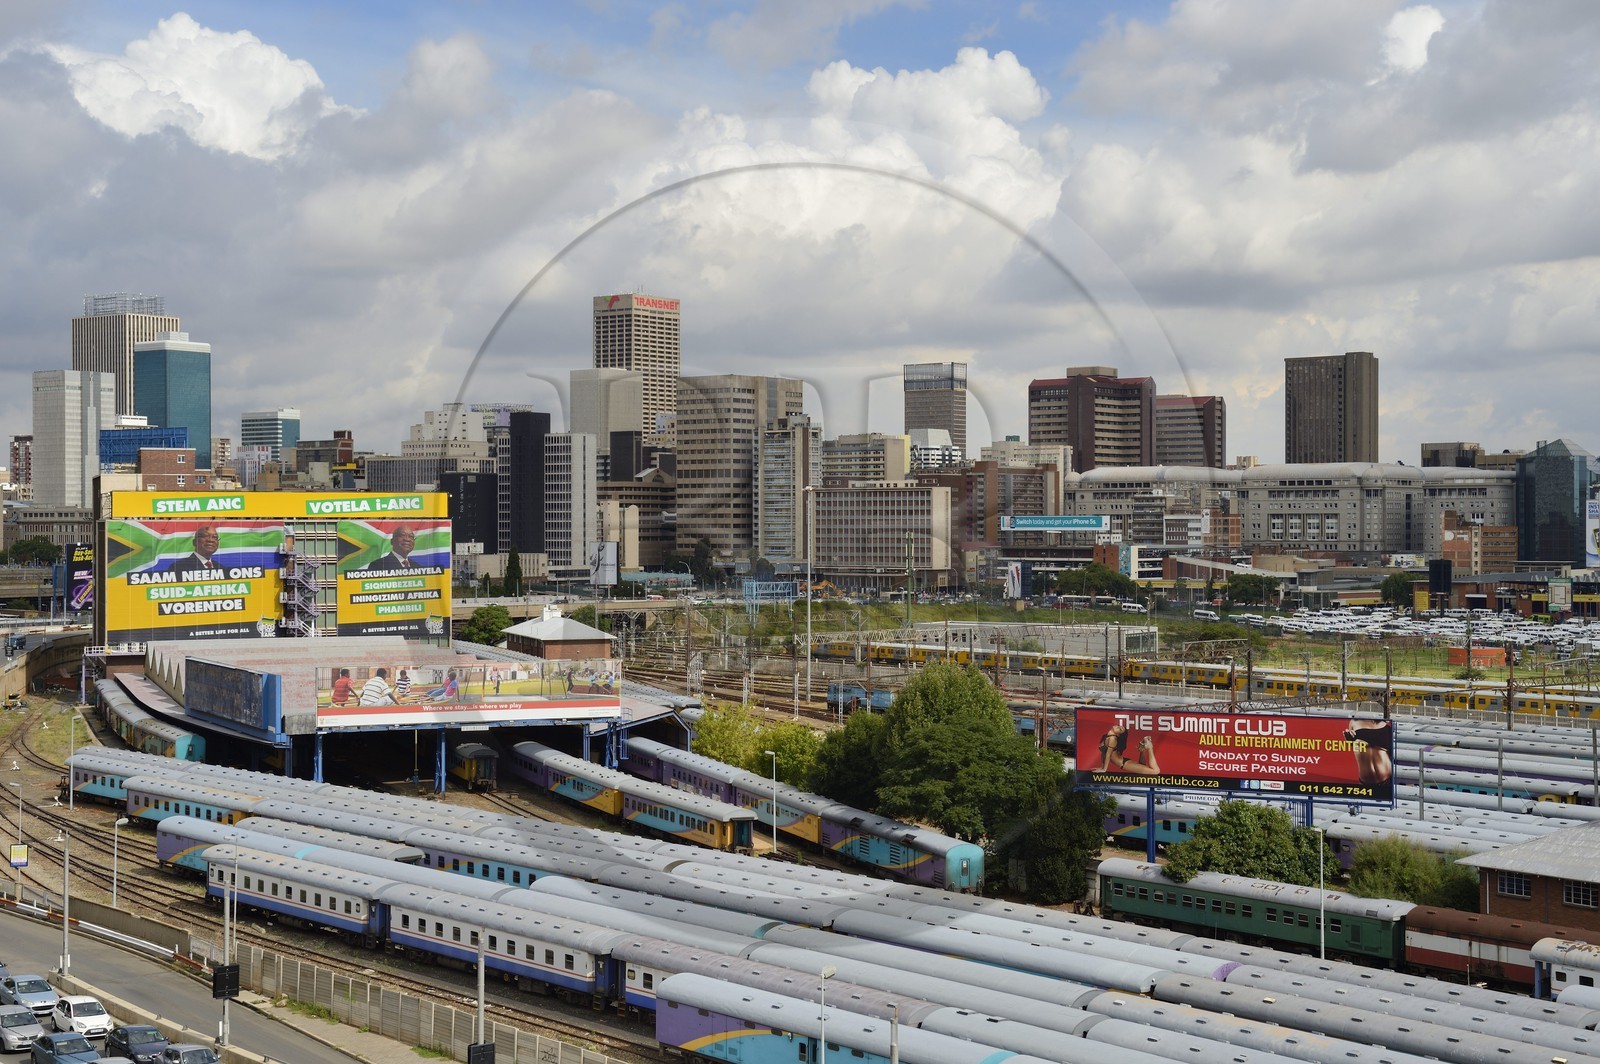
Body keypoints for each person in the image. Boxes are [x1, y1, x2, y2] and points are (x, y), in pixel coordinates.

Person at [1344, 718, 1395, 786]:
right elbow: (1354, 746)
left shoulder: (1388, 728)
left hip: (1388, 781)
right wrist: (1348, 740)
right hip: (1365, 784)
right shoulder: (1354, 722)